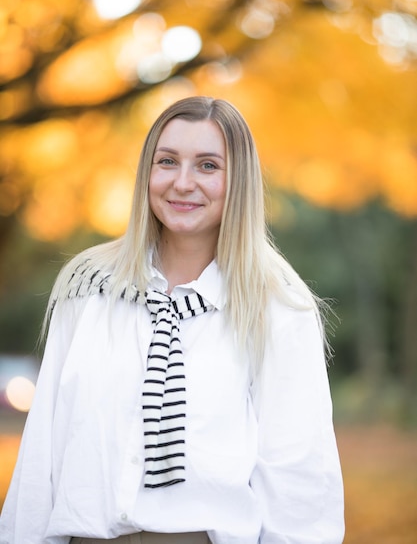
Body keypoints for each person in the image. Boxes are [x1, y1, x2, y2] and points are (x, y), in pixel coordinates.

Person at [0, 96, 344, 544]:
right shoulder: (89, 290)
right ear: (147, 173)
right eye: (168, 161)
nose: (183, 183)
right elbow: (43, 450)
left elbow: (298, 477)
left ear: (238, 180)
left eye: (207, 166)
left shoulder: (277, 307)